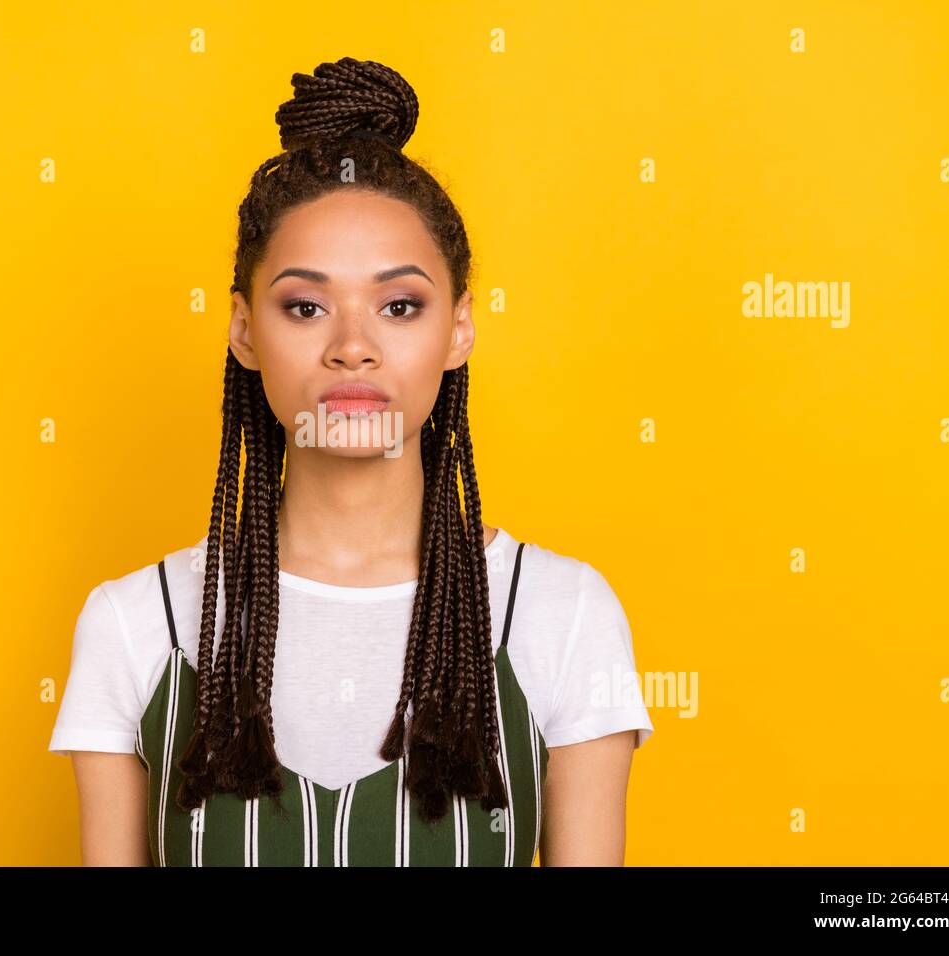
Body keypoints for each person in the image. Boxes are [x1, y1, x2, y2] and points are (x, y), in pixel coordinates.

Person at [49, 57, 654, 866]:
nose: (353, 348)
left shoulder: (563, 615)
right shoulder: (135, 624)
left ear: (460, 328)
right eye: (305, 306)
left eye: (400, 305)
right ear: (243, 330)